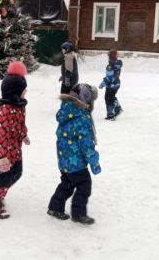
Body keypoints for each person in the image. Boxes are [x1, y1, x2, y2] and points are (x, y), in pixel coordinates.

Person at [47, 83, 101, 225]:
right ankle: (78, 214)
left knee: (67, 184)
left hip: (64, 159)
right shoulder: (82, 118)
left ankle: (55, 207)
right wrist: (94, 161)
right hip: (76, 162)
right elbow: (87, 145)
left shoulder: (67, 112)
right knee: (84, 185)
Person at [0, 61, 30, 219]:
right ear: (14, 92)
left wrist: (24, 134)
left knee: (17, 173)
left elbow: (20, 124)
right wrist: (2, 157)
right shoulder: (4, 111)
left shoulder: (19, 107)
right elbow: (0, 135)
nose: (25, 92)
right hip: (1, 149)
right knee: (5, 178)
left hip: (14, 147)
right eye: (23, 90)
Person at [99, 49, 123, 120]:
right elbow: (115, 76)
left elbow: (109, 77)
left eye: (109, 55)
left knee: (108, 98)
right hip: (116, 84)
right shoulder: (117, 65)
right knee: (112, 96)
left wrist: (103, 84)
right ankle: (118, 108)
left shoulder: (110, 66)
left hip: (111, 85)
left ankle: (111, 115)